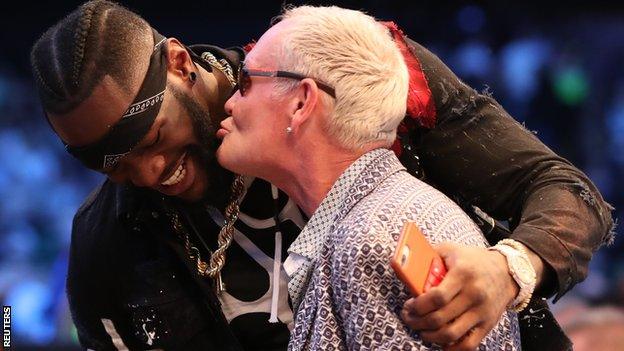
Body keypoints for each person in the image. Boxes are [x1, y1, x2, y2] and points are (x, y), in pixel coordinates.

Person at [29, 1, 613, 350]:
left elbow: (569, 193)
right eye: (106, 163)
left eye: (151, 139)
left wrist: (507, 268)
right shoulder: (105, 247)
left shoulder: (348, 72)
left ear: (181, 65)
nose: (147, 172)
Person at [216, 6, 522, 349]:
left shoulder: (368, 240)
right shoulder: (388, 216)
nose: (229, 103)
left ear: (301, 102)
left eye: (245, 82)